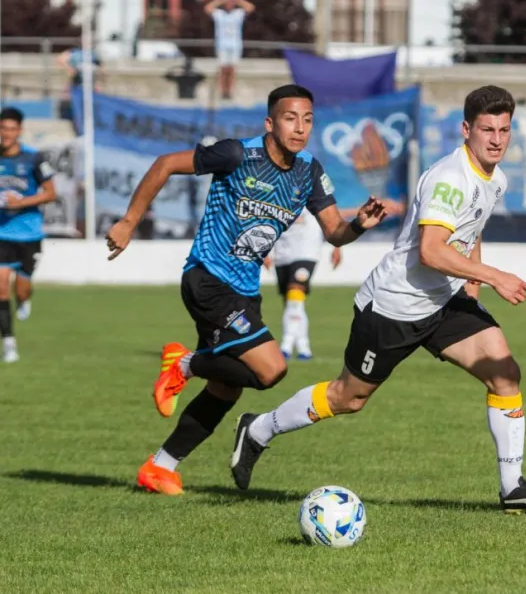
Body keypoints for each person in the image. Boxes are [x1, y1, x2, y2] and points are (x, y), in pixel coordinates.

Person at [228, 85, 526, 514]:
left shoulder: (493, 178)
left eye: (504, 130)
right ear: (466, 130)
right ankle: (258, 429)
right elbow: (431, 250)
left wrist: (473, 286)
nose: (497, 139)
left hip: (441, 301)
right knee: (346, 398)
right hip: (392, 306)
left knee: (505, 373)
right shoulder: (450, 178)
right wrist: (494, 276)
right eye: (487, 129)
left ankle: (512, 487)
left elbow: (471, 226)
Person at [104, 84, 387, 495]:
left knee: (227, 386)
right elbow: (165, 163)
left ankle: (159, 467)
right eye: (291, 118)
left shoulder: (309, 171)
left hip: (244, 290)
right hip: (207, 279)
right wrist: (128, 221)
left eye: (308, 119)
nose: (300, 128)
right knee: (272, 369)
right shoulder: (237, 154)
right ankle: (185, 364)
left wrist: (359, 223)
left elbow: (335, 233)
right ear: (270, 123)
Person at [0, 107, 57, 363]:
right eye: (2, 128)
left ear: (19, 131)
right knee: (1, 286)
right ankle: (9, 343)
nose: (6, 134)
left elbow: (50, 193)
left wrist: (21, 202)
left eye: (11, 129)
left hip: (29, 235)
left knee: (21, 289)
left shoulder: (34, 159)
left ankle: (24, 299)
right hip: (2, 234)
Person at [264, 210, 342, 360]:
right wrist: (265, 250)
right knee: (292, 305)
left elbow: (330, 215)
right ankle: (303, 348)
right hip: (282, 254)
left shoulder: (314, 188)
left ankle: (285, 347)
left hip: (306, 252)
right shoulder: (278, 191)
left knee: (294, 296)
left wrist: (337, 245)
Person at [204, 0, 256, 100]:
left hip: (235, 45)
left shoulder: (238, 14)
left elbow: (250, 7)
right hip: (222, 45)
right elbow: (207, 8)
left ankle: (229, 91)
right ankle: (222, 91)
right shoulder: (219, 14)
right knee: (223, 69)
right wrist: (221, 0)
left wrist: (237, 0)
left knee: (232, 70)